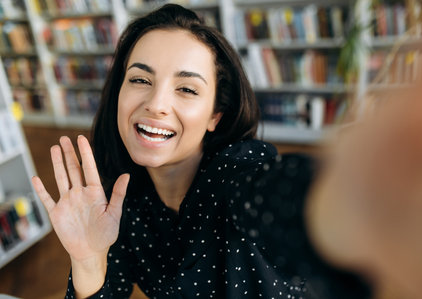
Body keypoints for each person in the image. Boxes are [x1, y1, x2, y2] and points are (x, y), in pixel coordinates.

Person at [31, 4, 371, 299]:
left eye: (186, 89)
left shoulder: (237, 174)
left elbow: (288, 196)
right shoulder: (122, 200)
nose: (156, 104)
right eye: (140, 80)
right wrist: (88, 262)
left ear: (214, 115)